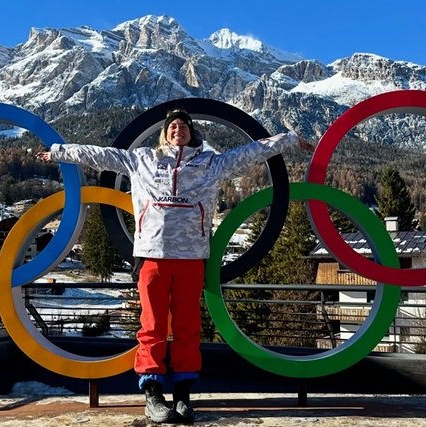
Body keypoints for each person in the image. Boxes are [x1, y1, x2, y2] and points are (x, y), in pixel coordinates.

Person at [37, 108, 313, 423]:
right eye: (172, 125)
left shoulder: (211, 163)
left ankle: (183, 395)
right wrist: (58, 151)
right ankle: (152, 394)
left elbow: (253, 151)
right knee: (152, 326)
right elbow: (98, 155)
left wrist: (290, 139)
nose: (177, 128)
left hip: (191, 258)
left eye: (183, 125)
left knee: (186, 327)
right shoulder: (141, 159)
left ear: (192, 133)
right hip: (152, 255)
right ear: (164, 133)